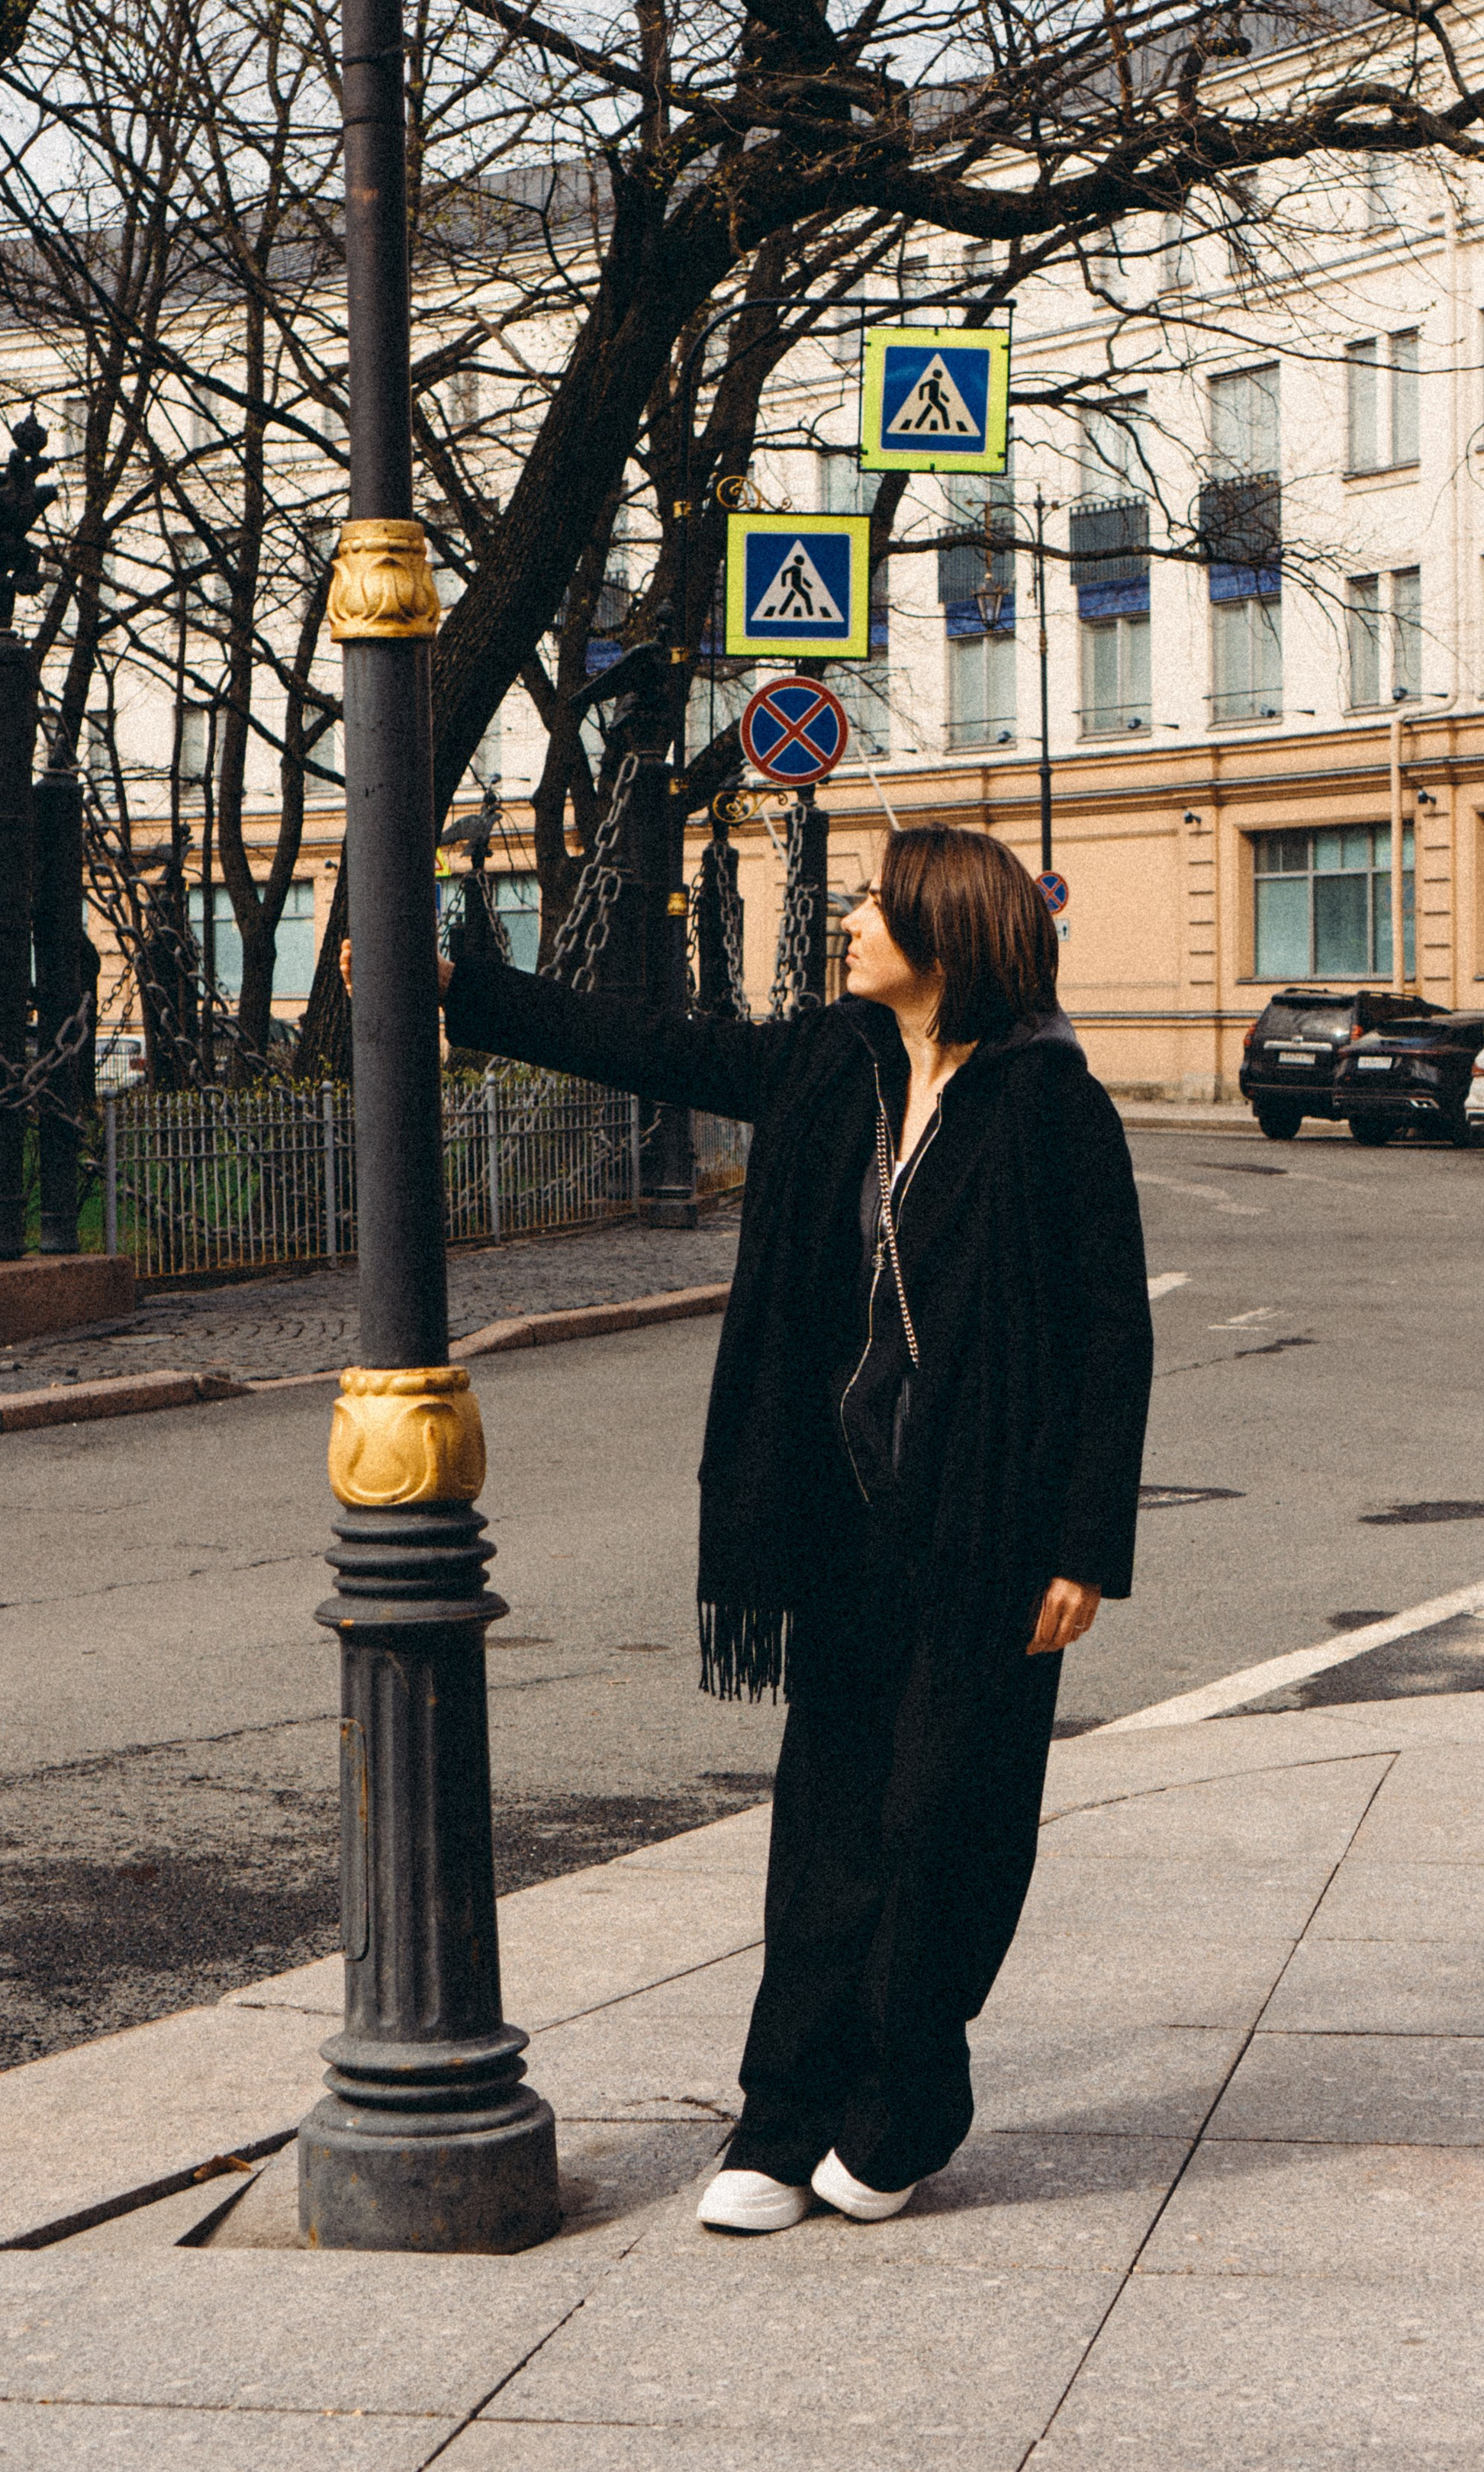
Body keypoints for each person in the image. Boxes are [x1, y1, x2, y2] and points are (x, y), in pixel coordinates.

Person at [422, 821, 1153, 2232]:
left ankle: (901, 2108)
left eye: (878, 904)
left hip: (990, 1534)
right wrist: (472, 990)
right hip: (840, 1522)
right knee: (826, 1823)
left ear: (949, 937)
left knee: (946, 1822)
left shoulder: (1053, 1108)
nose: (853, 921)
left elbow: (1109, 1343)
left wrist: (1085, 1548)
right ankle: (781, 2115)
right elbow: (663, 1048)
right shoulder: (835, 1065)